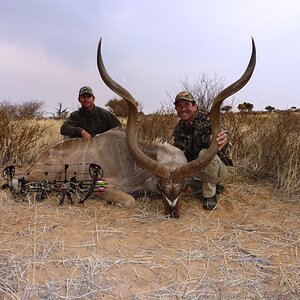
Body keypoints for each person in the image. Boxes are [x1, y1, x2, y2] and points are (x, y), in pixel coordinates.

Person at [173, 91, 232, 211]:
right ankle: (210, 185)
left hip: (217, 168)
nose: (183, 109)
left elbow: (224, 136)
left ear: (195, 106)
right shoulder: (179, 129)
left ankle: (209, 195)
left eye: (186, 104)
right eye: (179, 105)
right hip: (194, 170)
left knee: (205, 154)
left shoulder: (209, 119)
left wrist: (224, 137)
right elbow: (178, 152)